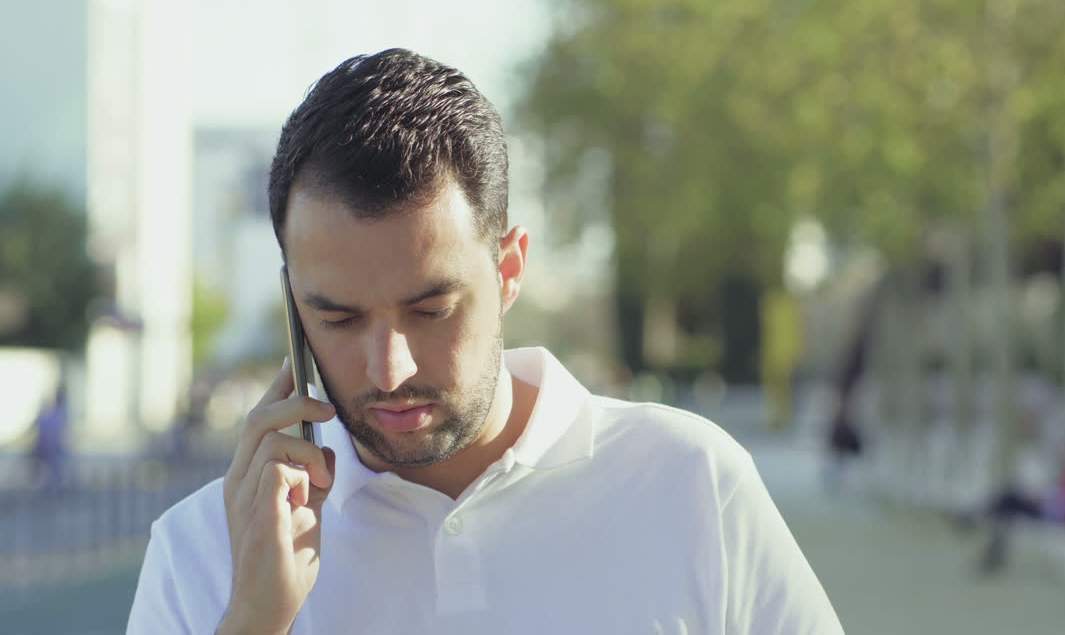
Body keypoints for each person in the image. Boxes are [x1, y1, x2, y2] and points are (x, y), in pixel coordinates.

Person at [127, 49, 843, 634]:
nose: (389, 367)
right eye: (340, 319)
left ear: (508, 270)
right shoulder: (204, 554)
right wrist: (252, 622)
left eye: (431, 308)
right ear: (292, 307)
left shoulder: (691, 483)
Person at [972, 434, 1065, 574]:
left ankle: (978, 522)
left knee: (1009, 499)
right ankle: (989, 547)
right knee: (1008, 503)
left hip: (1059, 514)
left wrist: (1047, 501)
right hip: (1056, 509)